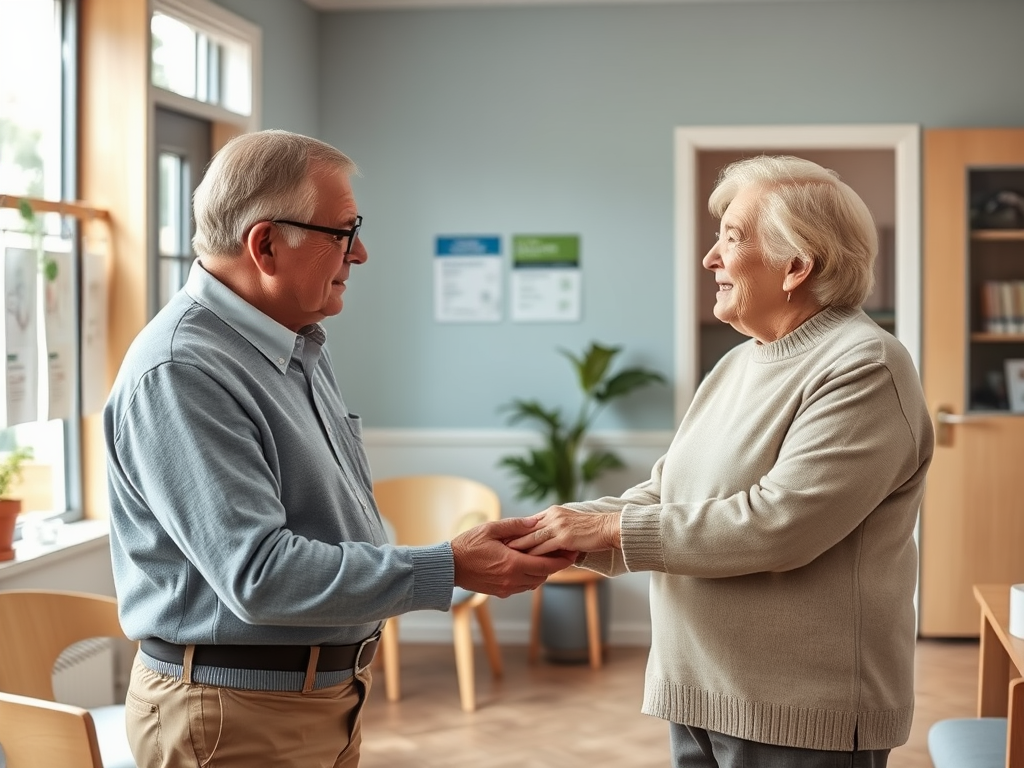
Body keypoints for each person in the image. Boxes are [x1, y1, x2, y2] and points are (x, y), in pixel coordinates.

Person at [103, 129, 574, 768]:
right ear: (265, 244)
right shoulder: (183, 370)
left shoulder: (296, 341)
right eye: (343, 233)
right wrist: (447, 566)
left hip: (321, 700)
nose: (362, 254)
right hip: (233, 718)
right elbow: (260, 575)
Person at [511, 155, 934, 768]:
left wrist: (605, 529)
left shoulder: (864, 365)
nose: (710, 258)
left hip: (800, 711)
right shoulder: (740, 362)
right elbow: (666, 490)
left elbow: (780, 523)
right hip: (698, 691)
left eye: (731, 238)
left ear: (797, 266)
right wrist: (549, 532)